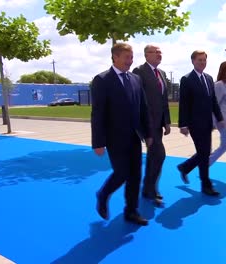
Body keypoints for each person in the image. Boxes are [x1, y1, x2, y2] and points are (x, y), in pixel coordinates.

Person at [91, 43, 153, 226]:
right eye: (126, 57)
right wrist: (98, 142)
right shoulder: (102, 80)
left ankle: (131, 211)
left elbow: (143, 108)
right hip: (114, 137)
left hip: (134, 136)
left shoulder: (135, 79)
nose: (130, 61)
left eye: (131, 57)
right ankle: (103, 194)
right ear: (115, 57)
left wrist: (148, 133)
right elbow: (98, 113)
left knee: (135, 175)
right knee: (122, 172)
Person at [177, 50, 225, 196]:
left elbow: (213, 101)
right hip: (194, 123)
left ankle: (185, 167)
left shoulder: (209, 79)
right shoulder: (186, 79)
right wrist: (183, 124)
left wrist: (220, 118)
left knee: (205, 152)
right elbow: (183, 103)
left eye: (204, 60)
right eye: (199, 60)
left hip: (207, 123)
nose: (202, 63)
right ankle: (206, 185)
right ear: (192, 61)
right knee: (204, 153)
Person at [133, 44, 171, 205]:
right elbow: (137, 100)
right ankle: (149, 188)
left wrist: (167, 121)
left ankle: (149, 189)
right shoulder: (139, 72)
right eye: (155, 52)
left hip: (158, 124)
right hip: (146, 123)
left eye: (160, 52)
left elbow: (163, 100)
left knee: (153, 156)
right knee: (159, 154)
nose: (159, 54)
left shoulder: (161, 73)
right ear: (146, 55)